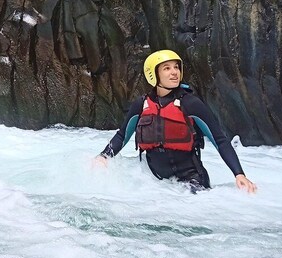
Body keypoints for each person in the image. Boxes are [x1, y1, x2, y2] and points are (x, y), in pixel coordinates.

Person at [95, 50, 257, 193]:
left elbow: (220, 140)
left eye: (176, 67)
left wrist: (239, 174)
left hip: (191, 181)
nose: (174, 72)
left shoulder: (191, 104)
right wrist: (103, 156)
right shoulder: (141, 104)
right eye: (167, 68)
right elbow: (122, 136)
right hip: (152, 181)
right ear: (153, 74)